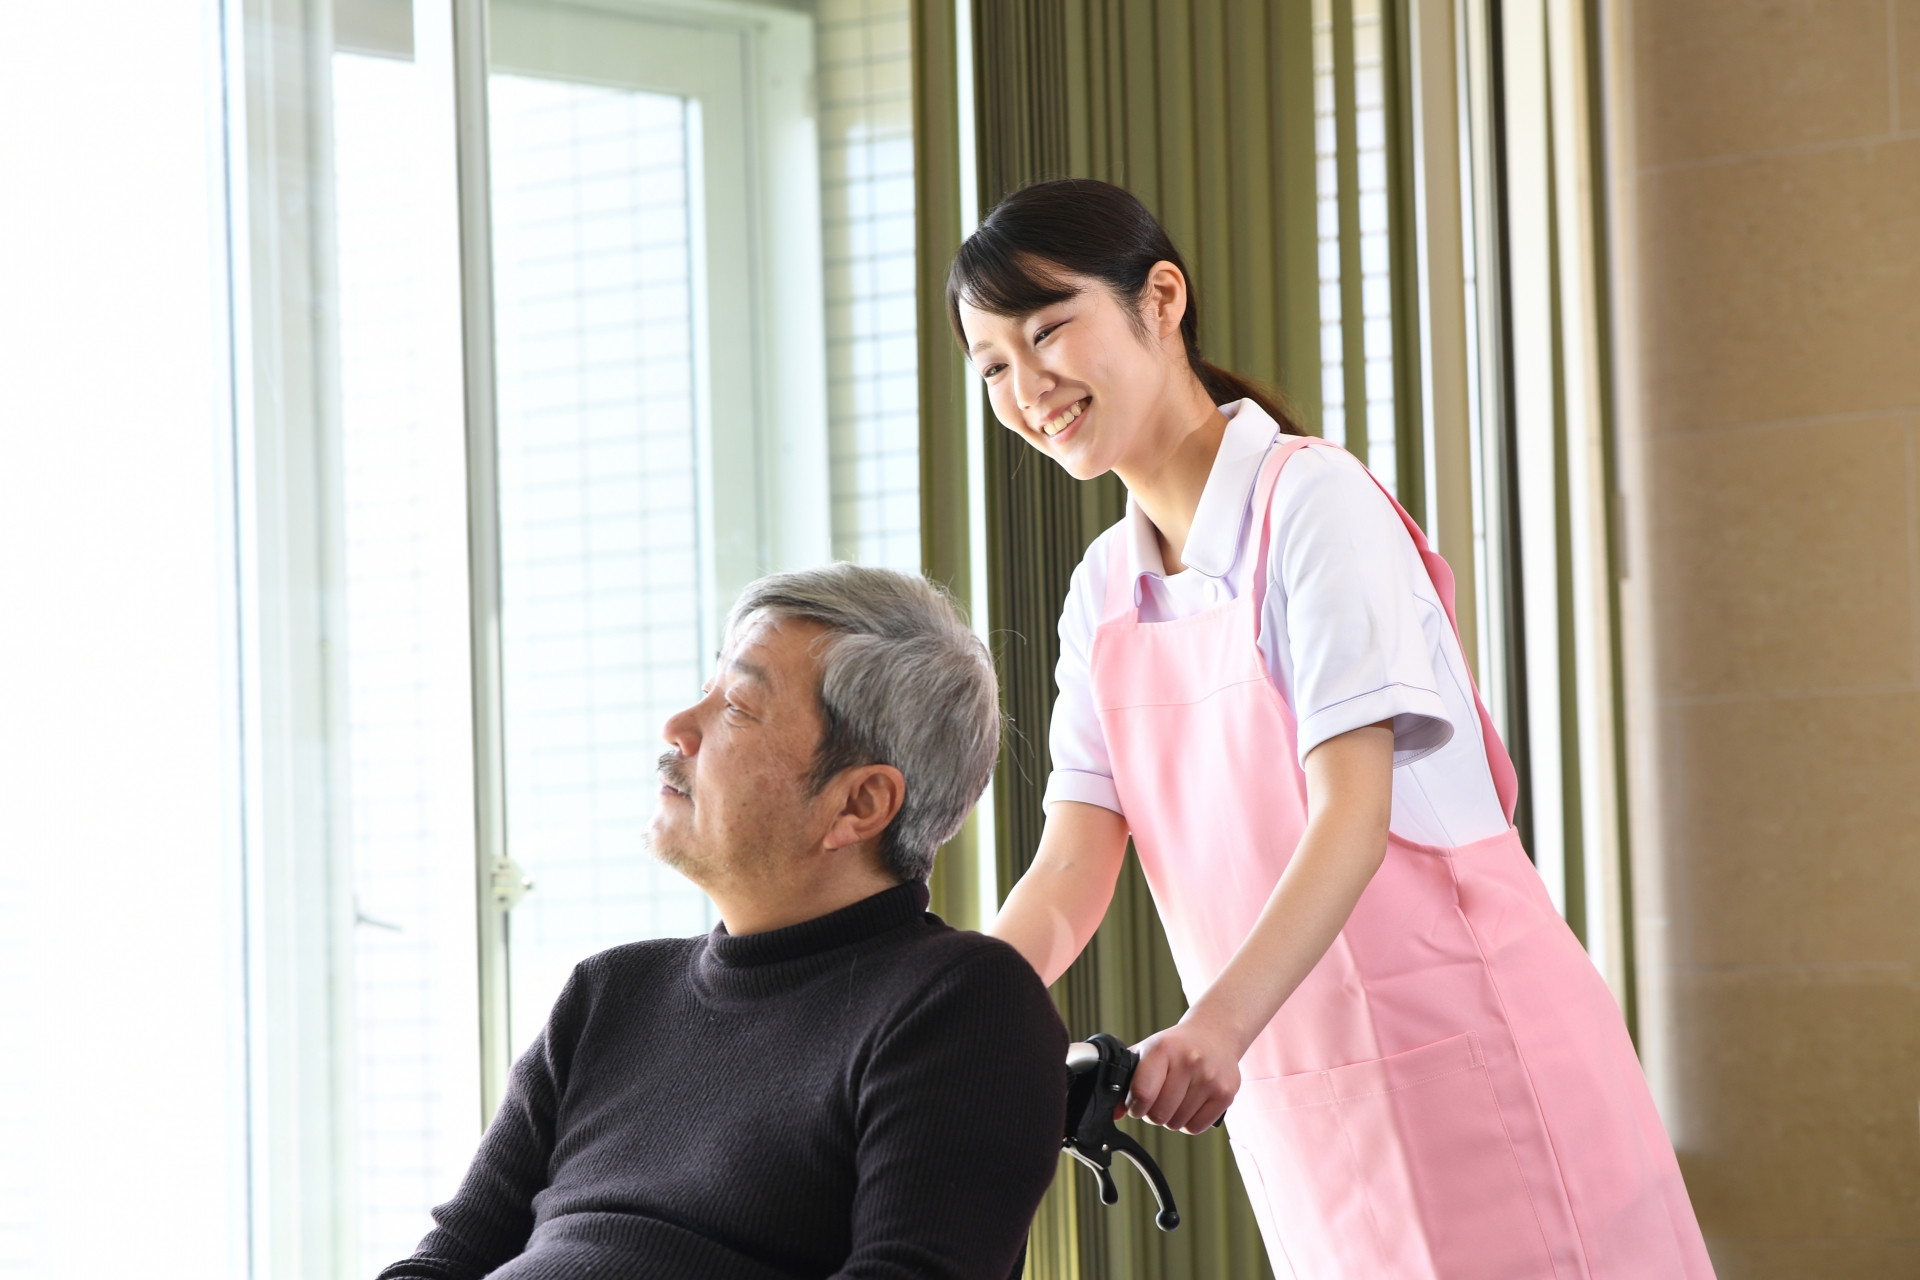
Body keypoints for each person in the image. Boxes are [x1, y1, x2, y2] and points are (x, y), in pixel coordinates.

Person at [956, 179, 1713, 1279]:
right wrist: (950, 1018)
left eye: (1048, 328)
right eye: (990, 367)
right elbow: (1071, 863)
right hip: (1307, 1102)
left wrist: (1213, 1025)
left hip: (1478, 1055)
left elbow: (1351, 814)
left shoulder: (1312, 504)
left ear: (1160, 300)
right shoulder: (1104, 589)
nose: (1028, 387)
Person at [377, 565, 1066, 1280]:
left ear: (858, 804)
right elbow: (448, 1260)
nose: (677, 727)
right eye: (707, 689)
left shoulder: (964, 1005)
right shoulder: (609, 992)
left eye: (736, 705)